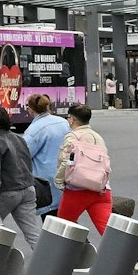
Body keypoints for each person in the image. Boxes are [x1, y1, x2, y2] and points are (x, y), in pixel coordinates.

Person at [0, 104, 41, 250]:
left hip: (7, 192)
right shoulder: (19, 139)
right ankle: (49, 263)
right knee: (33, 233)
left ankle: (4, 260)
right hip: (27, 189)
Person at [56, 103, 114, 232]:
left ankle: (74, 251)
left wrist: (59, 180)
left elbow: (66, 161)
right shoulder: (97, 137)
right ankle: (120, 251)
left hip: (77, 190)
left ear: (72, 119)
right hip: (101, 189)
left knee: (62, 228)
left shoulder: (72, 136)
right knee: (106, 229)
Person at [23, 94, 70, 215]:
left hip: (46, 182)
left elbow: (24, 154)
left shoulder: (34, 129)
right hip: (67, 175)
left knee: (51, 222)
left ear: (31, 109)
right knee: (67, 217)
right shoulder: (64, 122)